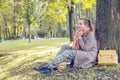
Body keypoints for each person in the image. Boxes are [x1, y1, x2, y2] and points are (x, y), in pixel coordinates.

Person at [33, 18, 98, 74]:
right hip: (81, 52)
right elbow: (77, 46)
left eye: (80, 24)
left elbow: (86, 49)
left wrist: (80, 38)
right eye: (78, 23)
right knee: (65, 47)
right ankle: (53, 65)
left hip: (89, 56)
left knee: (67, 52)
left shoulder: (90, 34)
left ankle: (48, 65)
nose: (78, 25)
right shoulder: (81, 33)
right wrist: (79, 37)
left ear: (86, 25)